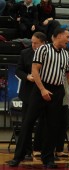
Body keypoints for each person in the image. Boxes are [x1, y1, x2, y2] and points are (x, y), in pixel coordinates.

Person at [8, 27, 69, 168]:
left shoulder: (67, 55)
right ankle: (18, 156)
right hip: (40, 88)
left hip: (57, 91)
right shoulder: (43, 50)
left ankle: (48, 158)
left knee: (52, 126)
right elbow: (35, 70)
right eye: (67, 37)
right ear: (58, 36)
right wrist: (42, 90)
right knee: (28, 123)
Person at [15, 32, 47, 160]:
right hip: (28, 91)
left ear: (43, 43)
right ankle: (27, 151)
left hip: (43, 91)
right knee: (27, 122)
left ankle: (40, 149)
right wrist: (27, 77)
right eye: (32, 42)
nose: (33, 44)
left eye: (36, 43)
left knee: (44, 122)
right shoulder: (25, 53)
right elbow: (18, 70)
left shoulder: (49, 53)